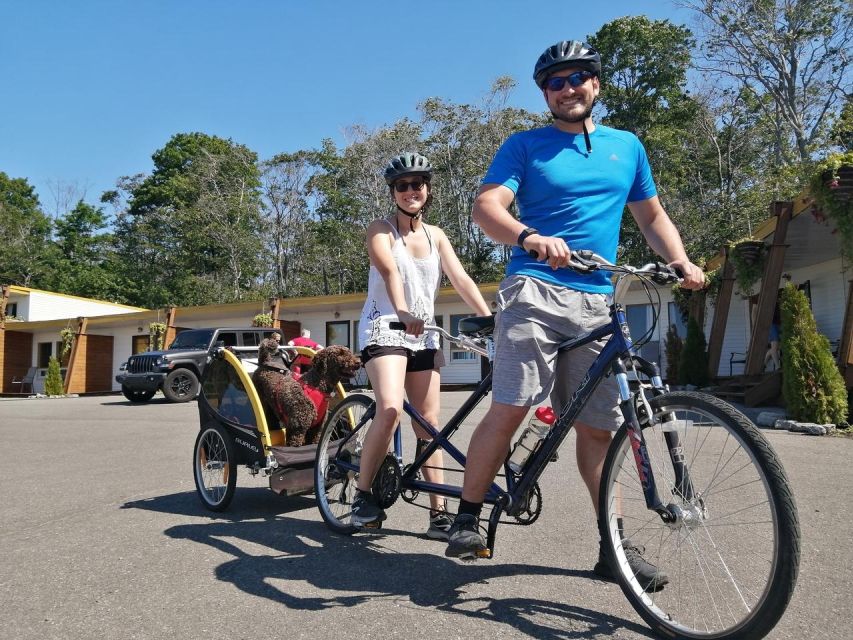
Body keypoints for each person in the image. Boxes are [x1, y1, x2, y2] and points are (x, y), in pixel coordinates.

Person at [444, 40, 705, 587]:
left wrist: (679, 259)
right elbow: (487, 207)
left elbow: (651, 215)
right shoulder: (525, 146)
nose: (567, 89)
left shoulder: (627, 147)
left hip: (596, 299)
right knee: (513, 404)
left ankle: (613, 548)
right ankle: (467, 518)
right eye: (555, 83)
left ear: (596, 84)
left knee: (599, 431)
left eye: (577, 78)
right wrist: (531, 237)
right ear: (545, 94)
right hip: (535, 288)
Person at [352, 152, 492, 539]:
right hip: (386, 327)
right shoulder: (380, 229)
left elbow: (460, 278)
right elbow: (389, 270)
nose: (411, 191)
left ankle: (439, 514)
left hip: (424, 333)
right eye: (402, 186)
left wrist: (488, 317)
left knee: (430, 426)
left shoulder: (437, 235)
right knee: (391, 409)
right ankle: (363, 497)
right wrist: (401, 310)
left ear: (427, 190)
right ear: (393, 192)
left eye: (417, 184)